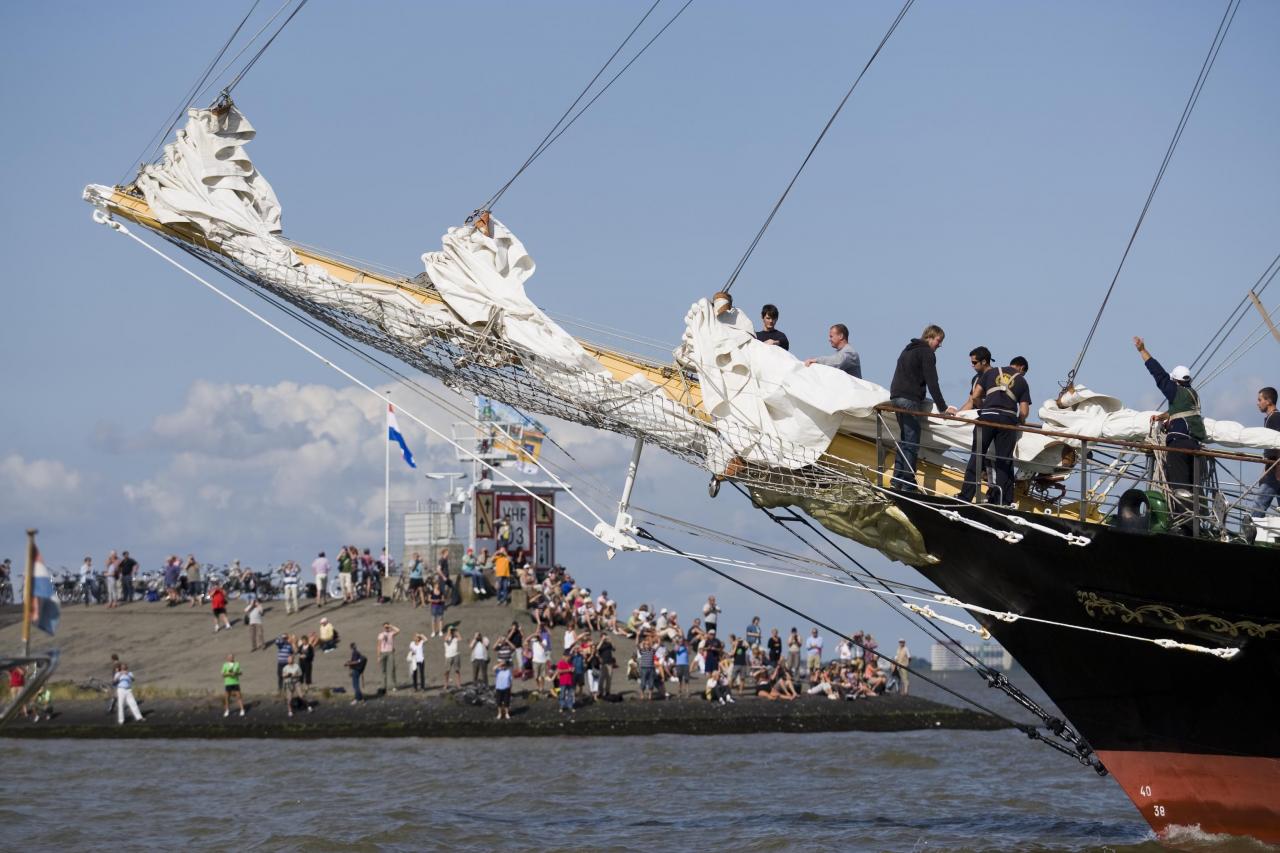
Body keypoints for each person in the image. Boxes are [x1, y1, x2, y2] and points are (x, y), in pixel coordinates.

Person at [1134, 337, 1206, 496]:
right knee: (1195, 491)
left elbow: (1158, 374)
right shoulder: (1192, 394)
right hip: (1195, 445)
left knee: (1180, 490)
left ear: (1175, 380)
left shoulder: (1175, 391)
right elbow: (1180, 411)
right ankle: (1195, 510)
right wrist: (1162, 416)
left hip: (1179, 445)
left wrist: (1142, 351)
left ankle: (1183, 511)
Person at [958, 359, 1031, 505]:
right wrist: (1020, 421)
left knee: (977, 456)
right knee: (1004, 461)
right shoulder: (1022, 381)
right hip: (1007, 422)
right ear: (1021, 368)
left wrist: (984, 408)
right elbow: (1024, 411)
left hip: (987, 418)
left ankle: (965, 497)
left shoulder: (990, 373)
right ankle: (1002, 501)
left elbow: (975, 396)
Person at [887, 325, 951, 492]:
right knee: (911, 441)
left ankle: (896, 480)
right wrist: (943, 408)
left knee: (904, 439)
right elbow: (932, 382)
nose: (940, 345)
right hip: (909, 399)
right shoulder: (926, 352)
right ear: (930, 337)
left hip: (896, 397)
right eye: (939, 340)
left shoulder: (908, 349)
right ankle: (908, 483)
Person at [1253, 387, 1279, 515]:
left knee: (1259, 504)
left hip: (1275, 470)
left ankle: (1251, 527)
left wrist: (1276, 469)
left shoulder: (1275, 418)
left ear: (1268, 401)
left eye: (1260, 400)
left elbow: (1278, 443)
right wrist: (1265, 470)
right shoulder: (1270, 418)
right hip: (1272, 467)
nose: (1258, 403)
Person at [377, 623, 400, 694]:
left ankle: (394, 685)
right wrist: (378, 656)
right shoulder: (381, 635)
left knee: (392, 669)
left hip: (390, 653)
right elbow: (378, 645)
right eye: (385, 627)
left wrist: (391, 626)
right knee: (383, 671)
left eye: (387, 627)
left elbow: (398, 630)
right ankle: (384, 686)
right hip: (383, 653)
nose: (386, 628)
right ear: (383, 627)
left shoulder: (391, 633)